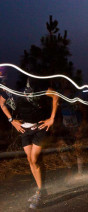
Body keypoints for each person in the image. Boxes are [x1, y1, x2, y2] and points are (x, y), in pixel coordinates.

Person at [0, 74, 58, 209]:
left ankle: (41, 192)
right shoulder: (6, 90)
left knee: (34, 159)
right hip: (24, 129)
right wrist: (12, 121)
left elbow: (55, 95)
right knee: (31, 160)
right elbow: (1, 104)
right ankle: (41, 190)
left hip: (40, 127)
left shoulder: (33, 84)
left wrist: (52, 118)